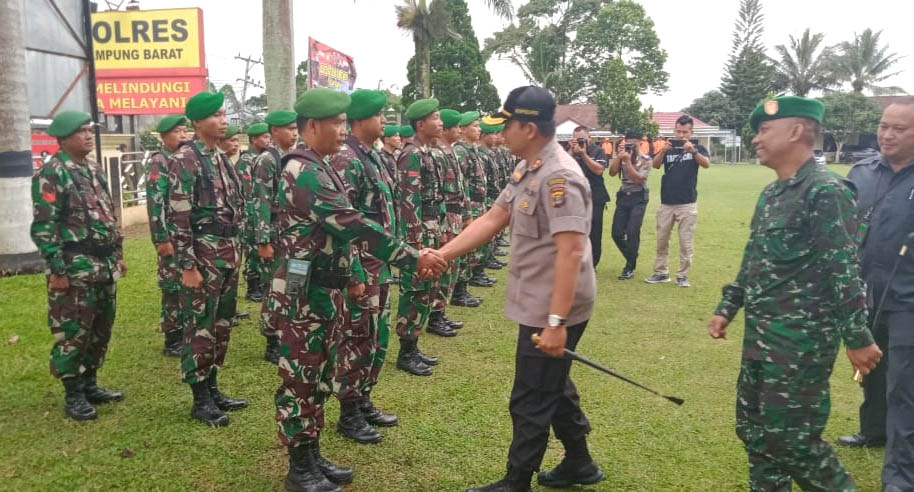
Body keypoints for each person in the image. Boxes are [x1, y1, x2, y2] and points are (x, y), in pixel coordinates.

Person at [263, 87, 445, 492]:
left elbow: (345, 236)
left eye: (346, 122)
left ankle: (311, 454)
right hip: (304, 290)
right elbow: (354, 224)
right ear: (311, 126)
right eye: (336, 123)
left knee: (322, 372)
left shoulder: (322, 164)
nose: (343, 130)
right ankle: (299, 468)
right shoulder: (303, 170)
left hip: (325, 287)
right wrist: (412, 257)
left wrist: (353, 276)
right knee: (301, 377)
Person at [433, 86, 605, 492]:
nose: (501, 133)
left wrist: (557, 323)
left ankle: (516, 481)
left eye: (506, 125)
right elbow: (494, 217)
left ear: (528, 128)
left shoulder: (558, 176)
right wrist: (443, 254)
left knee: (530, 395)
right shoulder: (529, 166)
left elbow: (570, 254)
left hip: (554, 304)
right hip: (540, 301)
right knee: (552, 382)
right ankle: (579, 462)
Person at [708, 96, 883, 491]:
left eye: (764, 130)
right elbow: (754, 258)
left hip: (800, 344)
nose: (755, 138)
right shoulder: (772, 195)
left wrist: (857, 337)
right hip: (762, 337)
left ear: (796, 131)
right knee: (755, 432)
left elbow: (843, 268)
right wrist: (728, 306)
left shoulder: (827, 192)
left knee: (794, 441)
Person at [31, 110, 127, 421]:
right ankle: (73, 393)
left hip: (103, 264)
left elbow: (109, 216)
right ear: (64, 137)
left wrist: (118, 253)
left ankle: (90, 383)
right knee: (74, 329)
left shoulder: (94, 170)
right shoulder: (52, 173)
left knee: (101, 327)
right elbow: (45, 227)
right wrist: (57, 270)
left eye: (89, 130)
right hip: (74, 267)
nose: (88, 135)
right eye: (81, 131)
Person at [844, 100, 914, 492]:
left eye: (899, 129)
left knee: (905, 386)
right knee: (871, 368)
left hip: (909, 297)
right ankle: (873, 431)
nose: (887, 135)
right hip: (865, 290)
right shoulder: (862, 171)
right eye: (884, 126)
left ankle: (901, 477)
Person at [167, 91, 248, 427]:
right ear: (197, 122)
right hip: (203, 256)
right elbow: (178, 216)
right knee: (200, 326)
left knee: (221, 324)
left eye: (224, 114)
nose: (223, 120)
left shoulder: (218, 157)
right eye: (215, 115)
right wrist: (187, 265)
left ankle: (213, 386)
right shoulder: (186, 158)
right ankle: (200, 398)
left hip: (227, 254)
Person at [328, 89, 401, 443]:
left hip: (379, 265)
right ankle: (348, 411)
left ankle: (363, 398)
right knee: (355, 339)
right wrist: (354, 272)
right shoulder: (346, 160)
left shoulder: (372, 156)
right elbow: (344, 225)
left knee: (375, 337)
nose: (384, 120)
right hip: (362, 267)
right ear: (359, 121)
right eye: (379, 115)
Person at [394, 98, 448, 375]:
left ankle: (413, 345)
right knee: (414, 289)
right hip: (418, 231)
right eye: (435, 117)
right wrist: (414, 241)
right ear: (420, 124)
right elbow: (408, 199)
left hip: (430, 226)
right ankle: (406, 350)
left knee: (427, 288)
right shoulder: (411, 154)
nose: (440, 123)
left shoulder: (425, 152)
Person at [250, 110, 300, 364]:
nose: (293, 132)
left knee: (294, 284)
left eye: (295, 128)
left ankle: (287, 332)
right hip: (275, 236)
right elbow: (261, 200)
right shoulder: (267, 160)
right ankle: (272, 338)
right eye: (288, 128)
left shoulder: (294, 156)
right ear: (273, 131)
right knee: (276, 289)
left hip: (295, 236)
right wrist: (263, 240)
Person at [646, 115, 710, 287]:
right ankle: (661, 272)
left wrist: (693, 151)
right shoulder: (668, 148)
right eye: (678, 131)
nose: (681, 135)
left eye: (685, 132)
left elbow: (706, 164)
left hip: (687, 202)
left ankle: (682, 275)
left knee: (685, 241)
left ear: (691, 132)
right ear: (674, 131)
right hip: (667, 202)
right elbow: (655, 165)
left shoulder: (698, 148)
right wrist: (664, 150)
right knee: (662, 240)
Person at [146, 114, 188, 357]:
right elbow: (155, 202)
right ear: (163, 136)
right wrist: (161, 238)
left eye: (185, 131)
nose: (183, 136)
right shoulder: (160, 162)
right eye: (177, 132)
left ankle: (184, 332)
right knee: (172, 285)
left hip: (185, 235)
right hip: (170, 235)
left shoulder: (182, 160)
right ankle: (172, 339)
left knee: (185, 282)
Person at [428, 108, 468, 336]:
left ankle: (440, 312)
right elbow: (439, 192)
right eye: (457, 127)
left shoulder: (450, 152)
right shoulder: (437, 154)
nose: (459, 131)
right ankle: (435, 316)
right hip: (445, 218)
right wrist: (444, 223)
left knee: (451, 267)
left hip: (455, 215)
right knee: (442, 268)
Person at [451, 110, 486, 306]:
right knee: (464, 250)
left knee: (473, 248)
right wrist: (467, 211)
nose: (478, 129)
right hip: (468, 206)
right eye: (475, 126)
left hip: (475, 205)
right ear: (463, 129)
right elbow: (461, 184)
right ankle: (459, 292)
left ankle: (463, 287)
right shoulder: (461, 151)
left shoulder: (470, 149)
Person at [608, 130, 651, 280]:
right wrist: (619, 158)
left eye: (633, 145)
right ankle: (632, 254)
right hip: (623, 197)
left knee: (632, 231)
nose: (631, 147)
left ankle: (629, 266)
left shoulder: (645, 159)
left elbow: (639, 179)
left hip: (638, 197)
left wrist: (627, 161)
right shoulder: (622, 156)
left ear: (640, 143)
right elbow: (612, 173)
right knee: (616, 233)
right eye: (628, 144)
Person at [238, 123, 271, 303]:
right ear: (254, 140)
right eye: (264, 137)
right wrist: (249, 212)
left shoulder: (264, 157)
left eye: (268, 136)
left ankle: (262, 283)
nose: (268, 140)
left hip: (259, 209)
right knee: (252, 249)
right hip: (250, 211)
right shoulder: (247, 159)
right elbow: (247, 189)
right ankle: (253, 286)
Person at [568, 126, 609, 268]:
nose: (579, 142)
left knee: (594, 233)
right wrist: (572, 153)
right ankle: (577, 262)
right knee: (575, 232)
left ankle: (592, 265)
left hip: (596, 196)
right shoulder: (570, 153)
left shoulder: (598, 151)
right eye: (576, 139)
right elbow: (562, 168)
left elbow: (598, 170)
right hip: (576, 197)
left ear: (589, 138)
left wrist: (584, 155)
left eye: (582, 139)